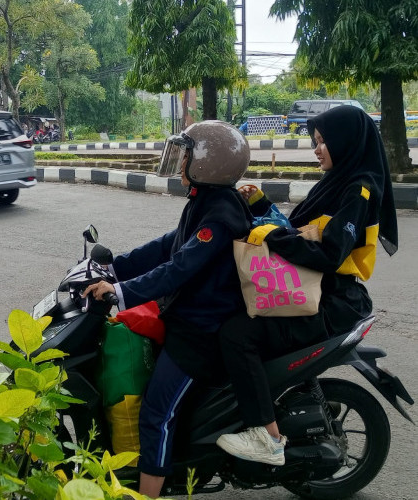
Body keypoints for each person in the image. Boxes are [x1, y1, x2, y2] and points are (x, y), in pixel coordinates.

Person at [216, 105, 399, 466]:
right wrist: (261, 205)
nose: (317, 149)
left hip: (332, 300)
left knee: (237, 335)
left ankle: (266, 438)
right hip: (313, 290)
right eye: (315, 142)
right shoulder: (338, 181)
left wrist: (271, 235)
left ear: (345, 142)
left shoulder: (359, 190)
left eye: (323, 142)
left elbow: (329, 252)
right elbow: (301, 227)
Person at [82, 121, 253, 498]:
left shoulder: (221, 214)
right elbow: (166, 246)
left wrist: (120, 291)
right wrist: (113, 268)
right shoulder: (206, 201)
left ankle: (147, 495)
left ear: (210, 162)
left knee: (156, 413)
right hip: (188, 320)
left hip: (200, 332)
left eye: (187, 154)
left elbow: (179, 268)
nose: (180, 162)